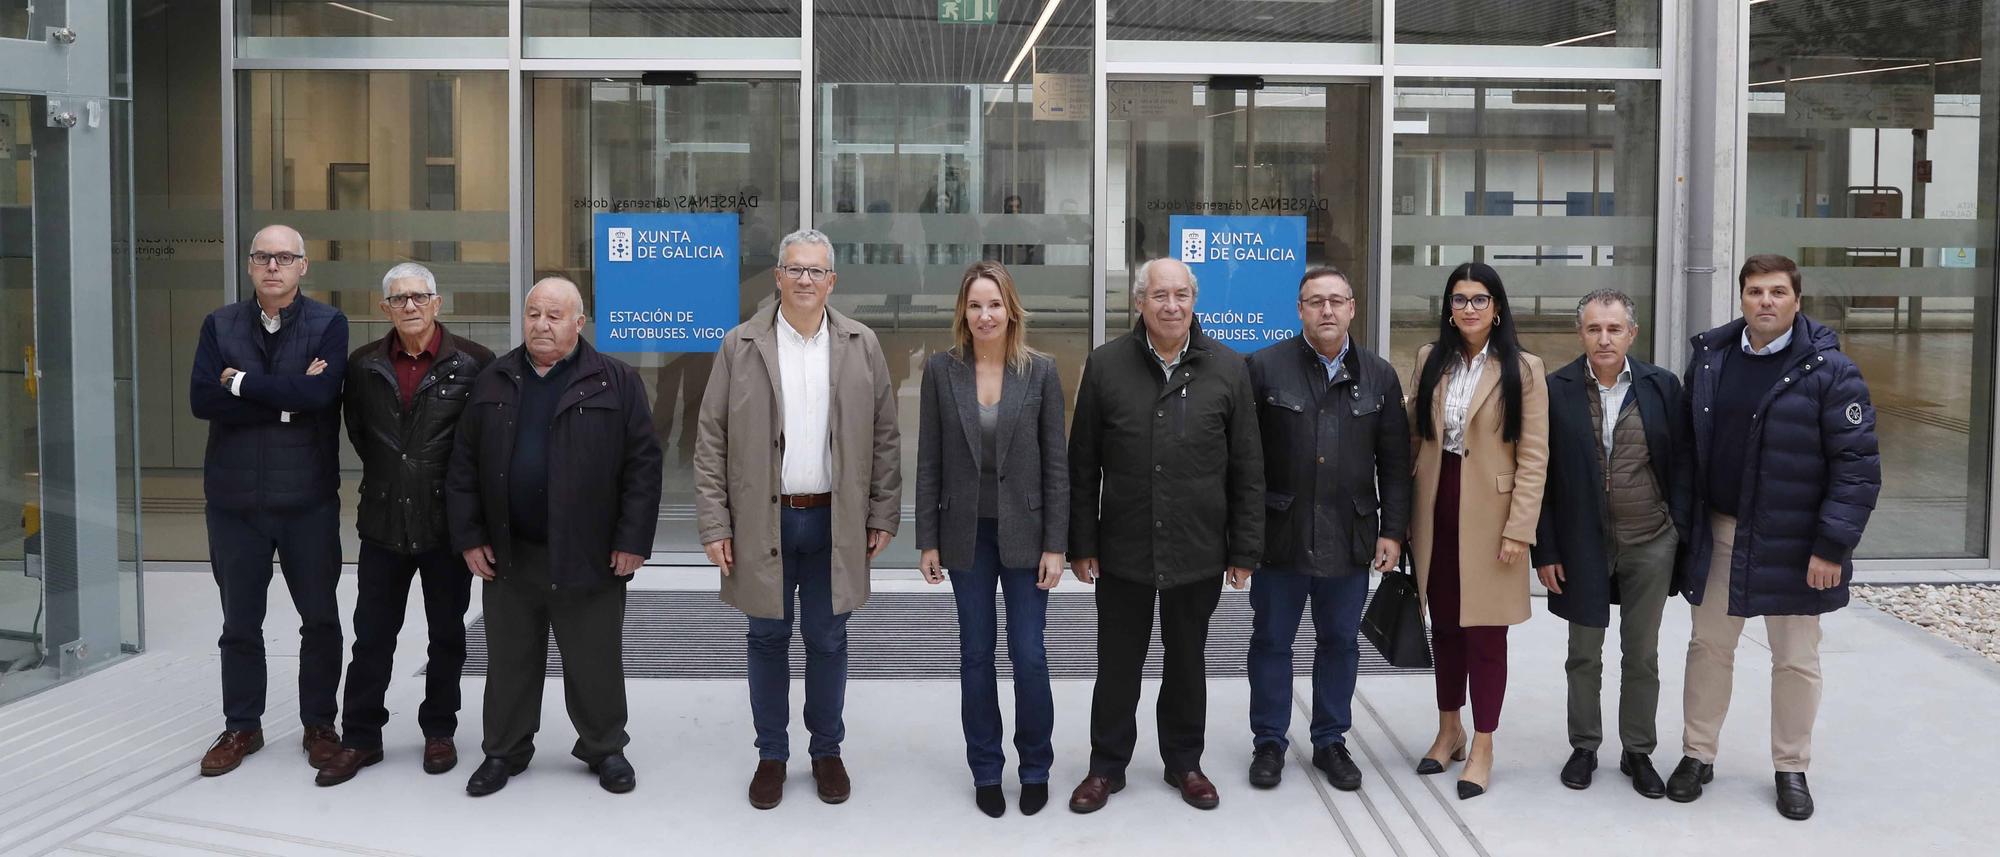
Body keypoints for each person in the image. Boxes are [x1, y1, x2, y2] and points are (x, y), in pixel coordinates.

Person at [693, 228, 902, 810]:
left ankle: (827, 750)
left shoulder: (861, 344)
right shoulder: (741, 345)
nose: (805, 279)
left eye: (816, 271)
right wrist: (715, 523)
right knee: (766, 637)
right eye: (795, 269)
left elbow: (885, 436)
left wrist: (883, 511)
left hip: (836, 520)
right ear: (778, 277)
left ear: (832, 281)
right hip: (765, 521)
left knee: (829, 639)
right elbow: (710, 438)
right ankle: (771, 754)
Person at [1666, 254, 1879, 821]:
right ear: (1741, 298)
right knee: (1709, 648)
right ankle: (1697, 754)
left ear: (1797, 300)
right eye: (1756, 291)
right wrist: (1685, 530)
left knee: (1795, 660)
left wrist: (1832, 547)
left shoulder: (1831, 372)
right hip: (1720, 533)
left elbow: (1857, 467)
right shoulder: (1711, 359)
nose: (1766, 301)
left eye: (1778, 292)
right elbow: (1688, 449)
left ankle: (1791, 768)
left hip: (1795, 542)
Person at [446, 277, 663, 797]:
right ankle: (504, 751)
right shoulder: (494, 378)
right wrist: (470, 537)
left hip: (589, 555)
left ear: (579, 322)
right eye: (533, 313)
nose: (541, 325)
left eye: (554, 315)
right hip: (510, 553)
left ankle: (604, 748)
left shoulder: (616, 381)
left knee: (595, 659)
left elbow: (643, 468)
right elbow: (463, 465)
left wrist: (632, 540)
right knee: (509, 661)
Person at [1065, 257, 1263, 814]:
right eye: (1159, 296)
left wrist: (1245, 548)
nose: (1170, 306)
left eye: (1180, 295)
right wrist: (1083, 544)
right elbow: (1082, 465)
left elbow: (1247, 466)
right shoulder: (1105, 367)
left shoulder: (1227, 368)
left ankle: (1184, 762)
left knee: (1187, 662)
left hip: (1198, 547)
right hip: (1123, 546)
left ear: (1194, 301)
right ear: (1139, 303)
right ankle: (1106, 766)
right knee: (1117, 663)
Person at [316, 263, 494, 787]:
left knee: (447, 636)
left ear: (438, 303)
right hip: (383, 522)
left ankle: (439, 730)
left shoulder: (475, 364)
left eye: (419, 297)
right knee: (372, 637)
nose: (410, 306)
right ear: (384, 308)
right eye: (399, 299)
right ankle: (360, 738)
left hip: (445, 526)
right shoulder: (362, 365)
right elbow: (361, 436)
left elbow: (479, 446)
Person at [1243, 266, 1411, 792]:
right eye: (1316, 301)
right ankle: (1269, 741)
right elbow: (1244, 461)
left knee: (1339, 641)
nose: (1327, 311)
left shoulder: (1380, 375)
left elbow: (1395, 461)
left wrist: (1393, 531)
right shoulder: (1264, 368)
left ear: (1353, 308)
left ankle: (1330, 740)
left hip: (1350, 534)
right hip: (1280, 534)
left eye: (1337, 300)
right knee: (1272, 640)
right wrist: (1243, 537)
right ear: (1299, 310)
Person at [190, 224, 349, 777]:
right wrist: (284, 399)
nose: (273, 266)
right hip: (234, 502)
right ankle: (242, 727)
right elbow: (200, 399)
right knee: (239, 623)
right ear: (250, 265)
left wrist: (240, 384)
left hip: (306, 498)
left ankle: (320, 724)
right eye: (263, 257)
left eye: (285, 257)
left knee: (321, 619)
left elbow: (320, 395)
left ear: (304, 266)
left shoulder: (330, 323)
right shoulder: (220, 324)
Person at [914, 261, 1069, 818]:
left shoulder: (1042, 372)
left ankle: (1034, 767)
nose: (985, 315)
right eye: (975, 305)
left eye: (995, 304)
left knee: (1029, 652)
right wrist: (926, 540)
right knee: (975, 654)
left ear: (1011, 310)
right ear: (963, 311)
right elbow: (929, 459)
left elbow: (1057, 464)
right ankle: (985, 767)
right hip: (964, 535)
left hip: (1028, 533)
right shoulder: (940, 371)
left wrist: (1057, 544)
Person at [1533, 289, 1687, 799]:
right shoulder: (1554, 390)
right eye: (1594, 329)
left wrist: (1678, 534)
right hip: (1581, 546)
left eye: (1614, 329)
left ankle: (1638, 750)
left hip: (1649, 541)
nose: (1604, 338)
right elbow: (1543, 478)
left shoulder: (1662, 387)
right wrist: (1547, 550)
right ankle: (1584, 745)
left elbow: (1684, 468)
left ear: (1631, 334)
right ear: (1580, 333)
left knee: (1641, 654)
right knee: (1583, 653)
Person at [1407, 261, 1549, 801]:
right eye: (1460, 299)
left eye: (1480, 299)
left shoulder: (1524, 367)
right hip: (1436, 503)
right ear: (1449, 307)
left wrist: (1521, 528)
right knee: (1444, 626)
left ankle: (1484, 742)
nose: (1469, 308)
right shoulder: (1429, 359)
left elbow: (1535, 456)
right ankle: (1450, 729)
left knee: (1487, 633)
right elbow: (1416, 438)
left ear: (1496, 308)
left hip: (1493, 516)